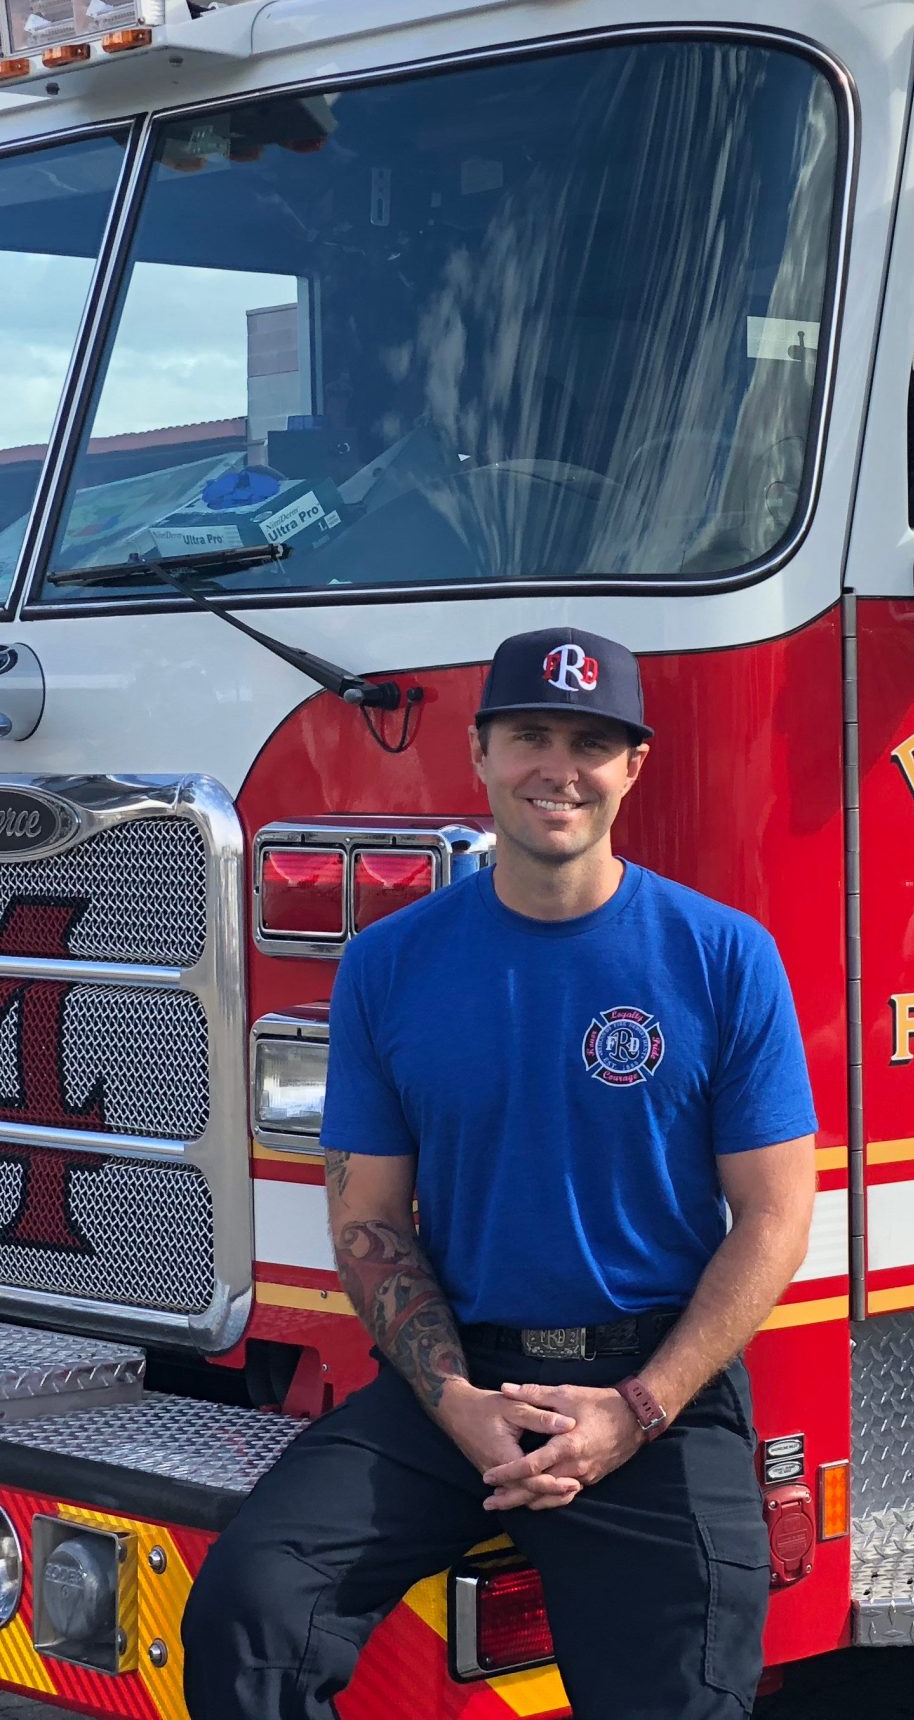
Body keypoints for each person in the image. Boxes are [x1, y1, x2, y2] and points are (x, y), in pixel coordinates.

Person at [185, 628, 819, 1720]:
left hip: (650, 1388)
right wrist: (459, 1402)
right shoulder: (392, 963)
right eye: (530, 735)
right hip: (461, 1382)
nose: (557, 768)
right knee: (253, 1604)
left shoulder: (723, 956)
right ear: (479, 753)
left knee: (682, 1690)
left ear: (635, 766)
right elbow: (371, 1222)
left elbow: (772, 1219)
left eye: (590, 741)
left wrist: (635, 1410)